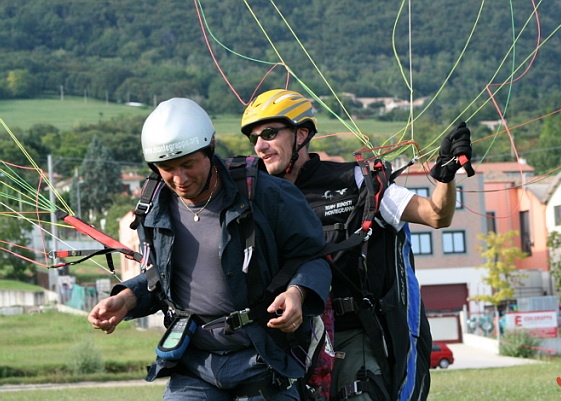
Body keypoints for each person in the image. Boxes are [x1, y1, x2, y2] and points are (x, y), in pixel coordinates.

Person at [88, 97, 332, 401]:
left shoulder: (267, 194)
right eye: (167, 168)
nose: (180, 179)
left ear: (211, 149)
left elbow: (312, 258)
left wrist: (298, 292)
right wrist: (127, 298)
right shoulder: (155, 206)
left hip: (263, 360)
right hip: (195, 364)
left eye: (189, 164)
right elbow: (163, 277)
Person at [240, 89, 473, 401]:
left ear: (301, 134)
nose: (260, 146)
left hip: (352, 334)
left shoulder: (355, 181)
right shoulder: (255, 196)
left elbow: (435, 215)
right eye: (254, 138)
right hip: (287, 340)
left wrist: (445, 174)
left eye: (269, 134)